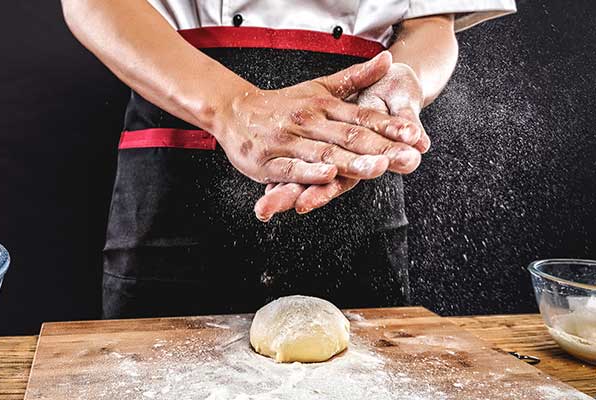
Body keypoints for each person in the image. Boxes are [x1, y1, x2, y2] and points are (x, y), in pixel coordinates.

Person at [61, 0, 516, 318]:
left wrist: (395, 90)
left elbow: (430, 22)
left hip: (349, 145)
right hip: (181, 133)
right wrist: (228, 107)